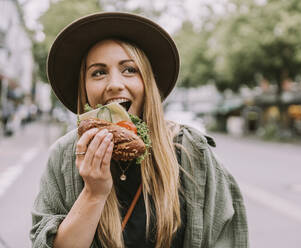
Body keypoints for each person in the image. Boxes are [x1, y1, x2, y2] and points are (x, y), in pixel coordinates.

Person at [30, 12, 248, 248]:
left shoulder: (193, 152)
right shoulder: (63, 156)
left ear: (147, 83)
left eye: (129, 70)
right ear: (84, 87)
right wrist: (93, 193)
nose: (114, 84)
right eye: (98, 72)